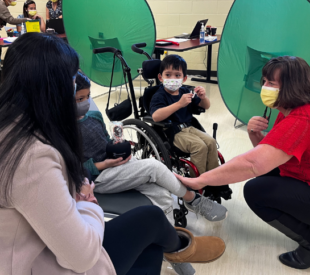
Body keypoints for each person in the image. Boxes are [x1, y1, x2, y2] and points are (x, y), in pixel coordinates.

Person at [0, 33, 224, 275]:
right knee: (154, 175)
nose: (80, 95)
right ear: (54, 87)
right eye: (73, 82)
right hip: (55, 254)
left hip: (77, 204)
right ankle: (190, 207)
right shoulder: (31, 156)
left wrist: (117, 147)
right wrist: (89, 203)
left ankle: (173, 247)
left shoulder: (29, 126)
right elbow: (81, 256)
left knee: (160, 200)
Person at [177, 56, 310, 269]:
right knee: (267, 177)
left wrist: (200, 181)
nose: (264, 87)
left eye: (272, 83)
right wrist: (255, 134)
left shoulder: (301, 120)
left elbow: (253, 163)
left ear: (292, 86)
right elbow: (272, 157)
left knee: (256, 191)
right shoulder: (299, 110)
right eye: (264, 81)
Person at [75, 71, 227, 225]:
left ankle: (169, 235)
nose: (86, 102)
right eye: (80, 99)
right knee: (154, 166)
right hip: (98, 177)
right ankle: (192, 199)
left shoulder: (95, 116)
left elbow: (106, 141)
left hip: (115, 163)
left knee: (162, 193)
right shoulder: (64, 131)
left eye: (88, 96)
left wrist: (117, 147)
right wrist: (105, 164)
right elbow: (75, 169)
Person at [150, 55, 219, 175]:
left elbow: (206, 106)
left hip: (190, 127)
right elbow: (155, 116)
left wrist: (203, 97)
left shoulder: (185, 91)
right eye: (168, 75)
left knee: (211, 142)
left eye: (177, 75)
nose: (172, 78)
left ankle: (213, 177)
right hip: (172, 132)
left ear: (184, 78)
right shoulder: (159, 95)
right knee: (200, 147)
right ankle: (196, 182)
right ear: (160, 77)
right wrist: (179, 104)